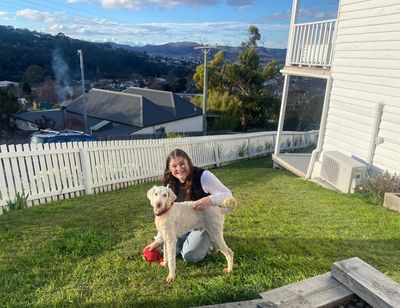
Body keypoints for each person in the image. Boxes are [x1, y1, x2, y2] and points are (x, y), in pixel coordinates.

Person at [145, 148, 232, 263]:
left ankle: (211, 242)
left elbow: (227, 194)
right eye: (174, 166)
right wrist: (158, 240)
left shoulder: (203, 176)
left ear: (188, 162)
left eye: (182, 164)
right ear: (169, 169)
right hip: (184, 224)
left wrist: (208, 200)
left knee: (190, 255)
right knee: (167, 248)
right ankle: (191, 242)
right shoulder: (169, 185)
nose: (179, 169)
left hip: (204, 221)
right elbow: (166, 216)